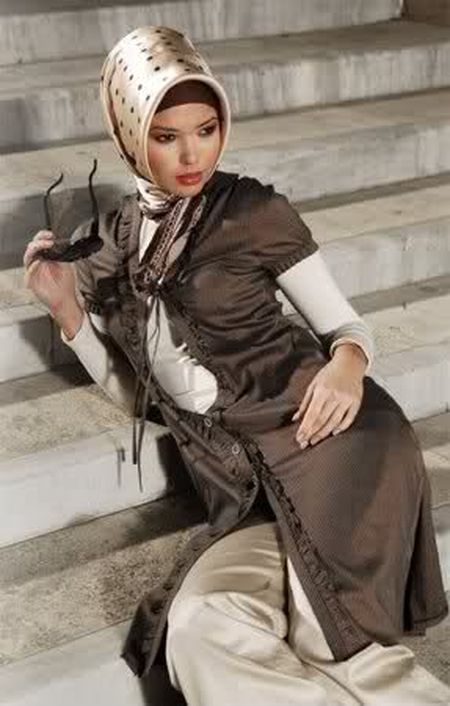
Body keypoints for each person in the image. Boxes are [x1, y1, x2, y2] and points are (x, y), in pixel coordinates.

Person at [24, 26, 449, 706]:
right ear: (129, 134)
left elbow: (345, 327)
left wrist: (347, 367)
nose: (193, 153)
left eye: (207, 129)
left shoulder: (251, 210)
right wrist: (69, 314)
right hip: (247, 492)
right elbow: (147, 395)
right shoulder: (107, 245)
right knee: (197, 626)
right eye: (167, 136)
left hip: (333, 444)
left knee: (331, 642)